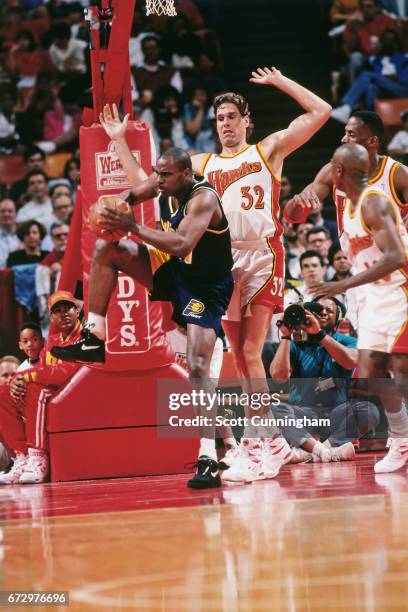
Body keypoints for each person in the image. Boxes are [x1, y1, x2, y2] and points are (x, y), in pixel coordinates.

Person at [88, 68, 332, 484]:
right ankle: (270, 441)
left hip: (261, 256)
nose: (226, 123)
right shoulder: (200, 165)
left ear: (247, 120)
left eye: (233, 116)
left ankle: (259, 443)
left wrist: (279, 83)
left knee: (252, 351)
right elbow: (149, 184)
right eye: (220, 118)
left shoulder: (268, 150)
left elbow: (321, 110)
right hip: (221, 264)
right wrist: (118, 141)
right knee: (238, 356)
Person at [51, 146, 235, 490]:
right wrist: (113, 207)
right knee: (107, 249)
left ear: (185, 174)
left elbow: (181, 244)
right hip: (174, 271)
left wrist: (131, 224)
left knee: (197, 366)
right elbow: (132, 193)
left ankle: (209, 456)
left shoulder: (203, 199)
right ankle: (94, 336)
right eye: (157, 173)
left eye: (165, 175)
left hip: (204, 289)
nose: (159, 180)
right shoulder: (165, 183)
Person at [309, 143, 408, 473]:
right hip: (378, 297)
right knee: (371, 376)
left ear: (339, 172)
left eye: (331, 168)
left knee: (400, 367)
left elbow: (396, 257)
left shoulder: (373, 204)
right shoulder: (348, 208)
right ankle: (403, 441)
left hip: (402, 291)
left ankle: (402, 439)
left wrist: (342, 285)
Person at [270, 296, 379, 461]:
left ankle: (313, 450)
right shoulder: (296, 344)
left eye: (330, 310)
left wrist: (319, 335)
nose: (323, 313)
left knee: (369, 410)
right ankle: (326, 451)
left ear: (338, 318)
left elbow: (351, 361)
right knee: (273, 407)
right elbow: (278, 377)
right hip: (303, 413)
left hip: (336, 414)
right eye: (319, 309)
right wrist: (286, 336)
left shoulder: (347, 341)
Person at [0, 291, 82, 484]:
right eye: (57, 310)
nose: (63, 314)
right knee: (2, 394)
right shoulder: (52, 340)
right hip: (54, 392)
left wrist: (26, 377)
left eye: (68, 308)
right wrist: (15, 382)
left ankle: (38, 457)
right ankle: (22, 457)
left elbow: (65, 371)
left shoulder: (85, 336)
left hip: (75, 394)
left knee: (37, 389)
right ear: (51, 316)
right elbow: (43, 369)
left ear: (77, 310)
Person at [284, 110, 408, 234]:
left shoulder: (398, 174)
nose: (343, 139)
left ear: (372, 141)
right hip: (353, 252)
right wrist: (297, 202)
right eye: (345, 133)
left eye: (351, 134)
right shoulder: (332, 170)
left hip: (392, 250)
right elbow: (294, 217)